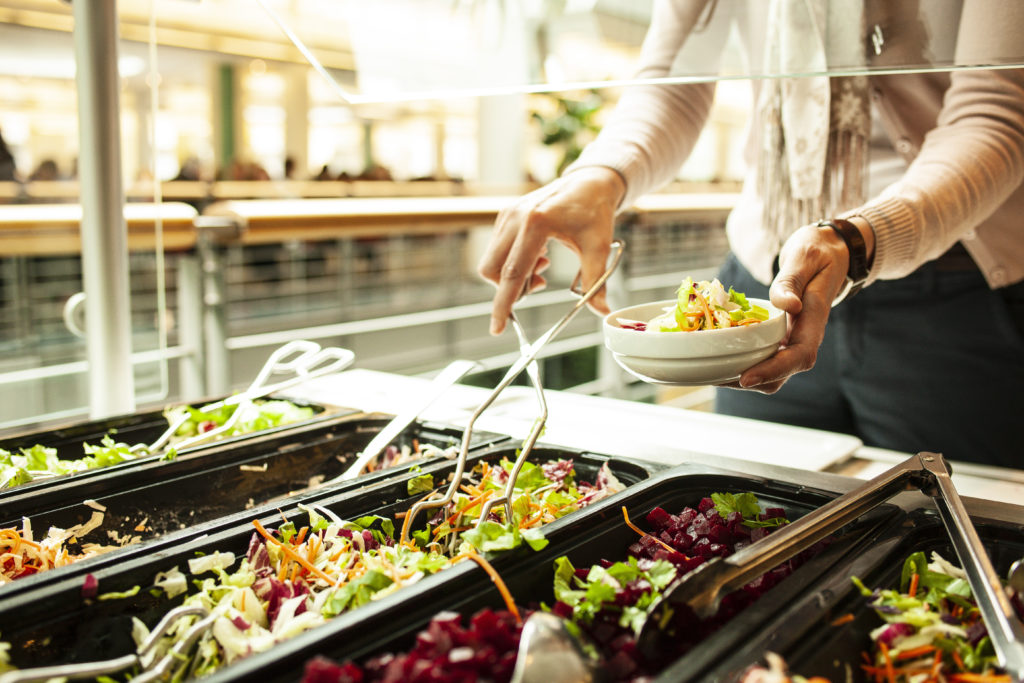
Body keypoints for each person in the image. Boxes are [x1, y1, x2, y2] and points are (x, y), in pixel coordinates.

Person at [477, 0, 1024, 468]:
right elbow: (673, 83)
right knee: (754, 524)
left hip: (955, 293)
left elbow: (996, 112)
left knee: (954, 549)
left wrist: (856, 238)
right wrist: (599, 176)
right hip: (766, 288)